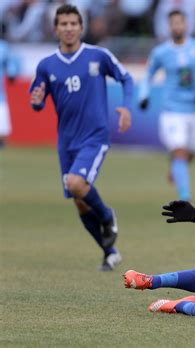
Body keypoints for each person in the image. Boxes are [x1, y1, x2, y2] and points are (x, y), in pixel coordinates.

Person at [29, 4, 133, 271]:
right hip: (66, 142)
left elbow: (127, 78)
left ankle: (108, 215)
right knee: (79, 201)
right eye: (63, 24)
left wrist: (127, 106)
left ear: (81, 27)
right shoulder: (46, 65)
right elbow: (37, 101)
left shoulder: (98, 56)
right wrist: (37, 102)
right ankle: (110, 252)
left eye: (73, 23)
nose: (68, 28)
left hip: (94, 136)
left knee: (77, 184)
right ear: (55, 29)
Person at [139, 10, 195, 202]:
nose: (177, 26)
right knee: (179, 150)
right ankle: (185, 197)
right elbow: (148, 74)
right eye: (173, 23)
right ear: (169, 26)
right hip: (172, 110)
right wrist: (143, 95)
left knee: (190, 153)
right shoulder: (161, 52)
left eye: (180, 23)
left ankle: (176, 167)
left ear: (186, 24)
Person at [0, 39, 20, 147]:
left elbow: (11, 61)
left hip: (0, 96)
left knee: (2, 132)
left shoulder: (3, 47)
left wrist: (12, 72)